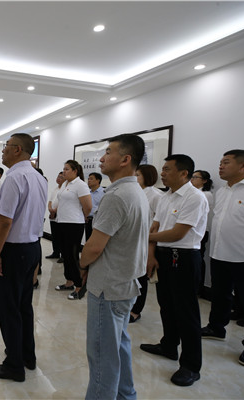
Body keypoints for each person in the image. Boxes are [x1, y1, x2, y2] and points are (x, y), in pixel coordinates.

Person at [80, 133, 149, 400]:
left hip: (108, 287)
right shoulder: (135, 191)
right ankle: (126, 395)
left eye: (108, 152)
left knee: (102, 356)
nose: (101, 158)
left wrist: (82, 264)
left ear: (125, 159)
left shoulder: (117, 195)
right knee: (118, 346)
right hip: (125, 283)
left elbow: (95, 247)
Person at [140, 154, 208, 387]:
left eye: (167, 169)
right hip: (162, 255)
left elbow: (178, 233)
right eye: (163, 168)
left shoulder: (195, 197)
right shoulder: (166, 196)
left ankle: (191, 365)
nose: (163, 173)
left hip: (184, 257)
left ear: (183, 173)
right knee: (166, 305)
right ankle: (168, 345)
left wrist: (144, 238)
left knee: (186, 312)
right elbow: (155, 226)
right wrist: (151, 255)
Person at [0, 133, 47, 382]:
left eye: (6, 147)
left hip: (13, 250)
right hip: (32, 247)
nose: (2, 151)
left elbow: (4, 221)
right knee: (24, 306)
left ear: (18, 149)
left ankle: (14, 366)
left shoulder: (13, 178)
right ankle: (27, 355)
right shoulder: (39, 178)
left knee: (9, 308)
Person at [201, 149, 244, 368]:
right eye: (221, 162)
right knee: (220, 295)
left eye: (226, 162)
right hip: (220, 253)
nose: (221, 166)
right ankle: (216, 328)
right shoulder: (223, 191)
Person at [54, 160, 92, 300]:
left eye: (67, 169)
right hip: (62, 222)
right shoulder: (65, 184)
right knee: (65, 254)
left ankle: (79, 286)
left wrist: (83, 216)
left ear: (75, 171)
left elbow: (88, 206)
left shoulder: (80, 185)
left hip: (74, 224)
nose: (64, 171)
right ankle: (69, 282)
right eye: (63, 169)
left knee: (73, 255)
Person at [130, 164, 163, 323]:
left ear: (147, 177)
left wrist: (151, 249)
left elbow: (158, 223)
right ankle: (130, 304)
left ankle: (136, 310)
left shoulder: (155, 195)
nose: (135, 178)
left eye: (138, 175)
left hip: (147, 241)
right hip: (133, 239)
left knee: (141, 277)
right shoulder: (135, 192)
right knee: (132, 275)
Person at [191, 170, 214, 298]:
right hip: (193, 231)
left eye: (195, 177)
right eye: (192, 176)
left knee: (198, 259)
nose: (192, 179)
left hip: (201, 231)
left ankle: (198, 287)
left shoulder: (206, 194)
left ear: (204, 181)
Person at [45, 172, 64, 260]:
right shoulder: (55, 189)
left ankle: (63, 255)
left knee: (61, 236)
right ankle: (55, 252)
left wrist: (55, 210)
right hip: (53, 215)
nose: (58, 178)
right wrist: (50, 209)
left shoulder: (65, 189)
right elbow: (50, 201)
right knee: (55, 235)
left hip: (60, 216)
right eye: (58, 176)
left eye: (61, 177)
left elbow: (63, 202)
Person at [85, 172, 105, 241]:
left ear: (98, 180)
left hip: (98, 221)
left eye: (91, 179)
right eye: (88, 179)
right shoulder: (87, 193)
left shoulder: (104, 192)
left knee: (96, 241)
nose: (89, 180)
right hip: (87, 221)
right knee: (88, 240)